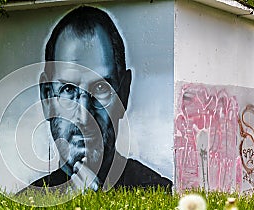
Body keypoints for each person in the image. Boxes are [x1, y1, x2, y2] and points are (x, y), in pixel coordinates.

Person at [21, 6, 172, 194]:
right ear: (47, 98)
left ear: (123, 93)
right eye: (68, 89)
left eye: (101, 89)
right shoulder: (29, 205)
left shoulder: (158, 195)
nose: (85, 117)